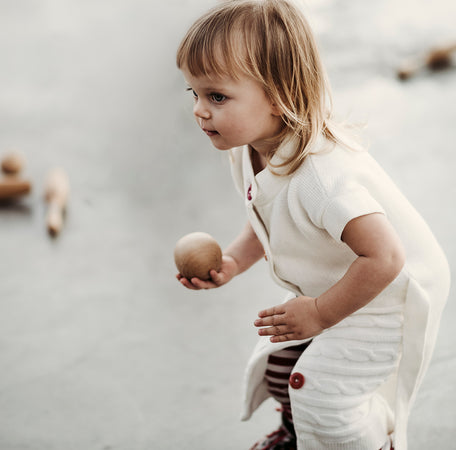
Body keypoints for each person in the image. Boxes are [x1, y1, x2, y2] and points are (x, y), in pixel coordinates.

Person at [174, 1, 450, 449]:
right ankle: (295, 434)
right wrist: (230, 262)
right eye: (194, 93)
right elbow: (267, 219)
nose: (199, 111)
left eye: (217, 96)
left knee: (322, 394)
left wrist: (321, 314)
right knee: (282, 362)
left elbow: (386, 256)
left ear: (279, 96)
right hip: (346, 277)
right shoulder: (248, 149)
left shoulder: (322, 178)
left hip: (391, 293)